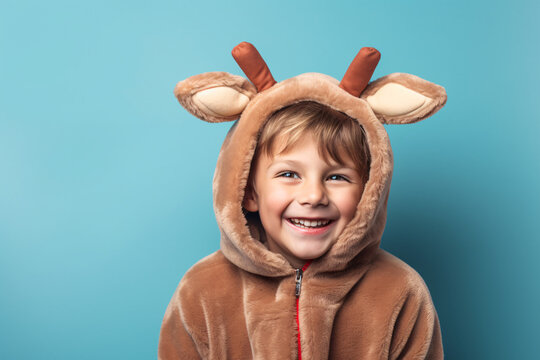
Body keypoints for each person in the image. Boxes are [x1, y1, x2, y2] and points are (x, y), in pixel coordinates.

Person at [158, 42, 447, 359]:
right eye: (288, 174)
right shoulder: (201, 290)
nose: (313, 196)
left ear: (368, 192)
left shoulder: (400, 292)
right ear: (249, 192)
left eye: (336, 177)